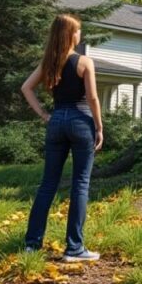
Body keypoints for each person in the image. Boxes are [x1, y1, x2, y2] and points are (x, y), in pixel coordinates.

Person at [21, 14, 104, 262]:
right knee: (80, 183)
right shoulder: (84, 62)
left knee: (48, 184)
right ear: (70, 34)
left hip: (56, 121)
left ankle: (31, 245)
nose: (80, 35)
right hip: (81, 122)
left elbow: (26, 88)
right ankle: (74, 248)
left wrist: (45, 115)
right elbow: (92, 98)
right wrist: (99, 127)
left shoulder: (49, 63)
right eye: (78, 30)